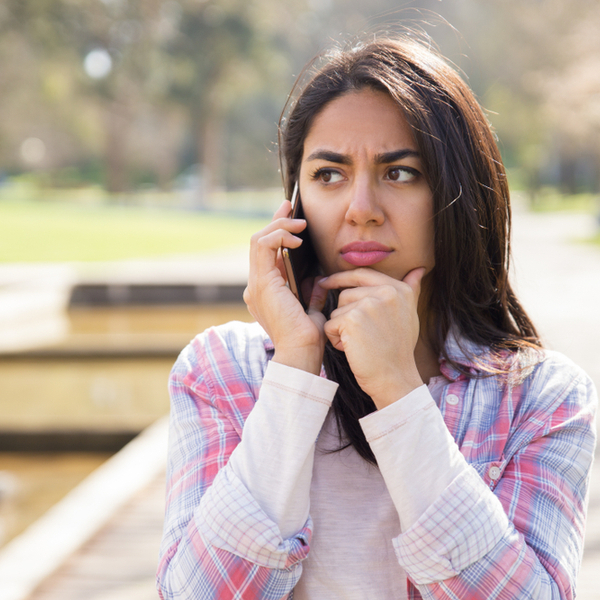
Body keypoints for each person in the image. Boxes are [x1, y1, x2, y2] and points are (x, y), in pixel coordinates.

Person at [156, 35, 597, 600]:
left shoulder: (542, 397)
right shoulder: (220, 371)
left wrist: (397, 389)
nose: (360, 209)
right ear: (294, 204)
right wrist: (293, 369)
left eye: (400, 172)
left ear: (458, 194)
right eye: (329, 175)